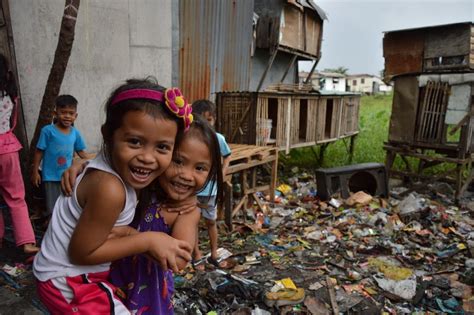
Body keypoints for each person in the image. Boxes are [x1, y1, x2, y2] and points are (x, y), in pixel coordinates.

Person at [33, 78, 194, 314]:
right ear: (109, 136)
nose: (148, 157)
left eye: (162, 147)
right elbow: (81, 252)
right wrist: (148, 240)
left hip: (75, 276)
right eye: (135, 142)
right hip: (69, 281)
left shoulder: (117, 170)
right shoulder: (110, 188)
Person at [109, 114, 223, 314]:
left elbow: (179, 260)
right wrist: (81, 167)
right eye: (178, 161)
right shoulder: (140, 185)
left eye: (200, 168)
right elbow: (107, 170)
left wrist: (131, 236)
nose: (186, 175)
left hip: (147, 294)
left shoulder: (186, 213)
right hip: (109, 280)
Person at [0, 53, 39, 254]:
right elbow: (13, 123)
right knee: (16, 198)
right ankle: (27, 243)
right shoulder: (10, 95)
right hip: (8, 148)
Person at [31, 94, 87, 218]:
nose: (67, 116)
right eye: (63, 112)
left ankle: (61, 225)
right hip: (50, 175)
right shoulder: (47, 131)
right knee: (52, 206)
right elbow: (39, 151)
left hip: (67, 176)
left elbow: (81, 152)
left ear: (75, 116)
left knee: (66, 203)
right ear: (55, 113)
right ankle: (50, 225)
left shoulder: (75, 133)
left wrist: (94, 161)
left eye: (71, 113)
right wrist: (35, 172)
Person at [191, 99, 231, 266]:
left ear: (214, 120)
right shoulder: (190, 138)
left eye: (209, 120)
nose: (206, 123)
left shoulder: (217, 138)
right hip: (192, 190)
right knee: (191, 223)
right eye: (201, 119)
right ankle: (197, 255)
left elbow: (227, 155)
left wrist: (222, 172)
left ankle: (214, 252)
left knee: (211, 221)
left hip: (210, 190)